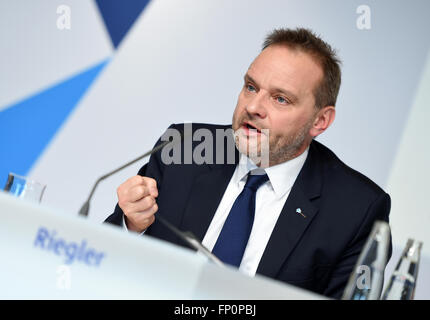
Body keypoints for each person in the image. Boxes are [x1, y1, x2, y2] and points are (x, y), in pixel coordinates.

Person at [105, 28, 392, 299]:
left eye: (280, 99)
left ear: (320, 121)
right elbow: (101, 260)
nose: (253, 107)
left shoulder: (357, 209)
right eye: (251, 87)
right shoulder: (183, 148)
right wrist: (130, 225)